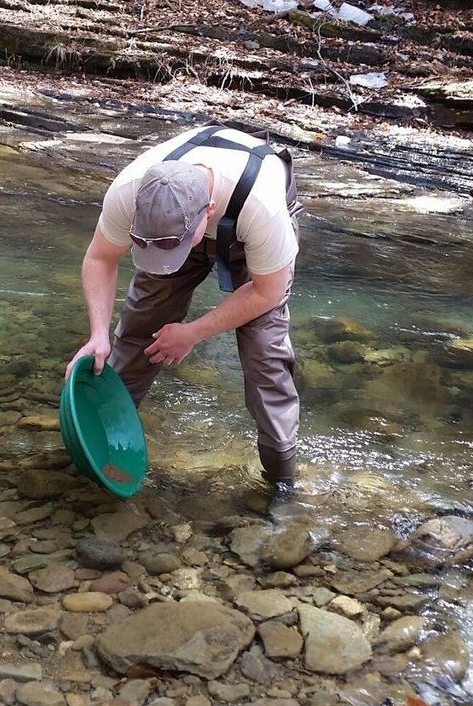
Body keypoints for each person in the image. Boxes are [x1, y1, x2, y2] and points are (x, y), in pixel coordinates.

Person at [65, 123, 303, 489]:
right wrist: (97, 334)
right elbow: (99, 258)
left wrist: (192, 333)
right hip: (174, 224)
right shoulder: (131, 192)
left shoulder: (263, 210)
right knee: (137, 334)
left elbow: (266, 292)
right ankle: (103, 445)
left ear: (207, 212)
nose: (165, 260)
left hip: (247, 232)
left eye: (174, 248)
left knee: (264, 358)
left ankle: (281, 484)